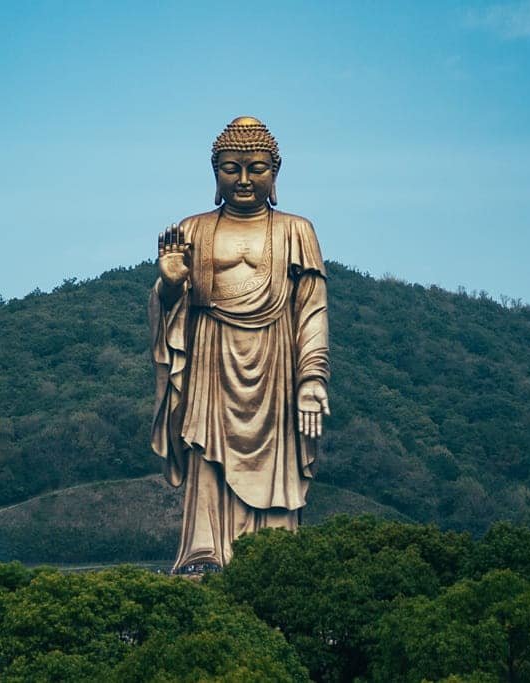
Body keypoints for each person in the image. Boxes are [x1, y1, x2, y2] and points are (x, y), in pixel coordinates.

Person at [149, 116, 330, 572]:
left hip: (276, 363)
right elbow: (170, 308)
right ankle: (204, 552)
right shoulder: (193, 229)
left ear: (276, 172)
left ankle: (275, 559)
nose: (245, 179)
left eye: (257, 168)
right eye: (232, 168)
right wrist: (170, 285)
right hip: (211, 356)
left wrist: (311, 379)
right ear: (216, 174)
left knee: (276, 465)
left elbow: (311, 309)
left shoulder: (296, 231)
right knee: (206, 458)